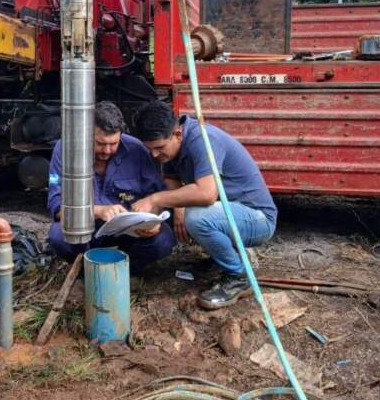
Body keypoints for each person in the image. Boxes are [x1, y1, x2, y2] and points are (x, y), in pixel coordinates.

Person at [132, 101, 277, 309]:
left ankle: (239, 277)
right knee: (177, 214)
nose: (154, 155)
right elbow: (171, 178)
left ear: (177, 135)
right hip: (229, 213)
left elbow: (207, 194)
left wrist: (154, 199)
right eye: (150, 149)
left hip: (258, 219)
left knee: (197, 218)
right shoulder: (173, 146)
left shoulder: (203, 140)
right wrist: (178, 210)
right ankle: (223, 258)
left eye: (159, 148)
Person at [47, 101, 175, 272]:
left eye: (113, 143)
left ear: (121, 134)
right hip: (86, 229)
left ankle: (125, 271)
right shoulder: (66, 149)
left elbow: (156, 195)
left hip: (129, 231)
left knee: (164, 239)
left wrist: (152, 221)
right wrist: (98, 211)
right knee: (58, 235)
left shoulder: (136, 149)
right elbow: (56, 207)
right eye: (100, 143)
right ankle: (87, 269)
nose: (107, 150)